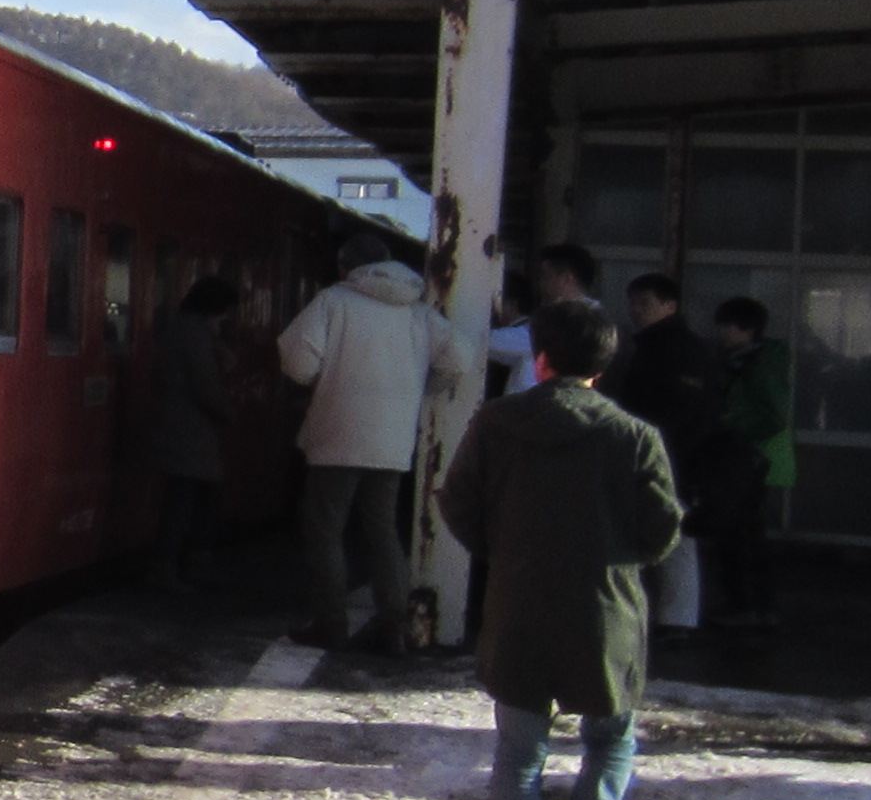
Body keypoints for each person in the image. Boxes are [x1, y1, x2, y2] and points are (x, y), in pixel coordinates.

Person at [436, 297, 683, 800]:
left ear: (540, 360)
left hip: (520, 603)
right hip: (608, 611)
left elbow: (459, 502)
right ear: (604, 363)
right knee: (612, 738)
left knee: (519, 753)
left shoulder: (495, 423)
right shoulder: (634, 436)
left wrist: (506, 552)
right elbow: (661, 532)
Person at [278, 233, 471, 651]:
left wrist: (318, 379)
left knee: (326, 531)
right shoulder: (418, 311)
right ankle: (393, 628)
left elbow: (297, 362)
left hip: (335, 434)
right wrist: (426, 386)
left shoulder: (334, 301)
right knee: (383, 531)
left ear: (345, 267)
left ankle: (330, 623)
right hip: (393, 440)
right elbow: (461, 357)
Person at [604, 273, 725, 636]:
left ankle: (676, 620)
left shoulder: (675, 350)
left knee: (673, 538)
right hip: (663, 454)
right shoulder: (655, 346)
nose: (636, 311)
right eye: (634, 303)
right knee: (667, 536)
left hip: (671, 455)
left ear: (669, 306)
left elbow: (685, 412)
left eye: (646, 303)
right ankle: (673, 619)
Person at [705, 297, 793, 630]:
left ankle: (749, 606)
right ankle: (750, 605)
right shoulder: (740, 359)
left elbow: (772, 414)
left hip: (752, 457)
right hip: (745, 456)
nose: (721, 333)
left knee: (743, 535)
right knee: (743, 534)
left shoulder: (760, 362)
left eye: (728, 326)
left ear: (749, 330)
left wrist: (729, 423)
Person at [148, 274, 240, 591]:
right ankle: (175, 567)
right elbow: (205, 385)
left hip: (180, 426)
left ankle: (178, 565)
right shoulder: (195, 333)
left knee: (187, 498)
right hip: (192, 429)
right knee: (187, 501)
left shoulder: (181, 328)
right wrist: (227, 413)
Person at [482, 241, 600, 385]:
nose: (541, 283)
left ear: (566, 278)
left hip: (543, 403)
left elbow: (511, 341)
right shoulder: (591, 317)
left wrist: (455, 331)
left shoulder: (577, 319)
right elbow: (511, 351)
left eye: (546, 276)